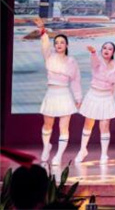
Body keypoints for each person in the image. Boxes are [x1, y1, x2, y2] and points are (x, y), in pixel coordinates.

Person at [34, 17, 82, 166]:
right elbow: (45, 45)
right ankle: (46, 147)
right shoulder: (49, 57)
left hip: (64, 95)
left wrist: (78, 98)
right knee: (47, 125)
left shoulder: (71, 61)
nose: (59, 45)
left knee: (64, 128)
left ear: (67, 45)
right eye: (57, 42)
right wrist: (42, 29)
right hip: (51, 94)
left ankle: (59, 155)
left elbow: (75, 81)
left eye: (62, 42)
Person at [75, 42, 115, 165]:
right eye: (104, 48)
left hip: (106, 96)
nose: (107, 50)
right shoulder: (97, 60)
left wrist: (111, 97)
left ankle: (104, 154)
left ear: (113, 52)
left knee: (104, 125)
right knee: (88, 123)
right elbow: (94, 62)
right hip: (94, 94)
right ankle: (82, 150)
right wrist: (93, 52)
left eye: (110, 49)